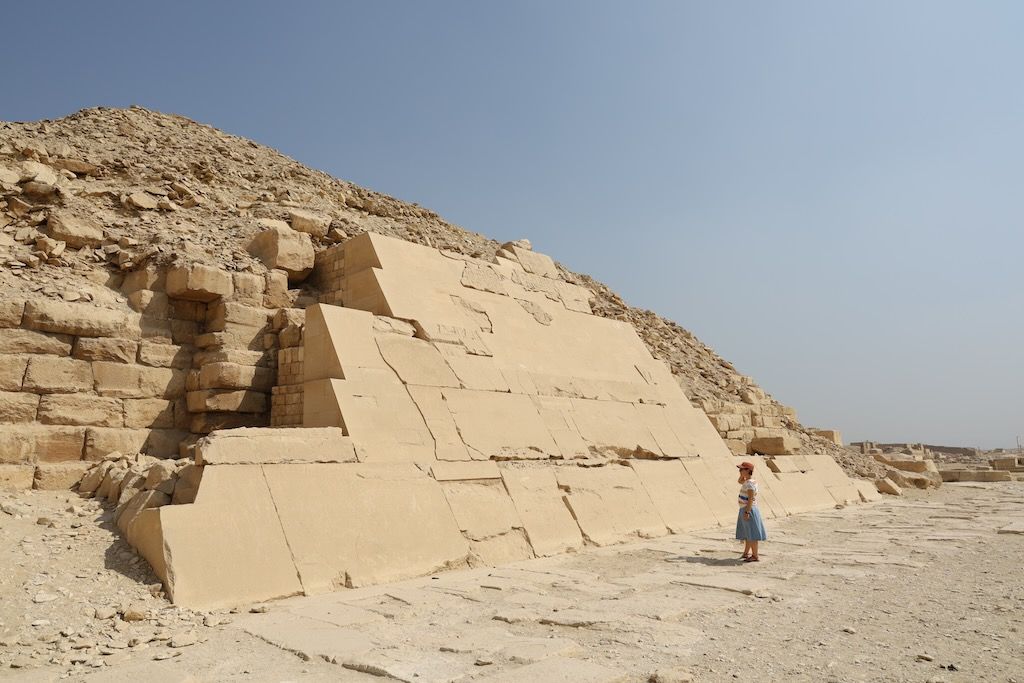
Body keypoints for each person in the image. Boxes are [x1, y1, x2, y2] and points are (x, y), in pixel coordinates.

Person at [735, 461, 767, 562]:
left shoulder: (750, 484)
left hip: (748, 509)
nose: (740, 471)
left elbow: (750, 499)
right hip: (746, 509)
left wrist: (747, 512)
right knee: (747, 533)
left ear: (748, 471)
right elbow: (739, 481)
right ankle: (746, 553)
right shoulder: (749, 481)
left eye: (742, 469)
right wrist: (742, 474)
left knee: (752, 534)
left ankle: (755, 555)